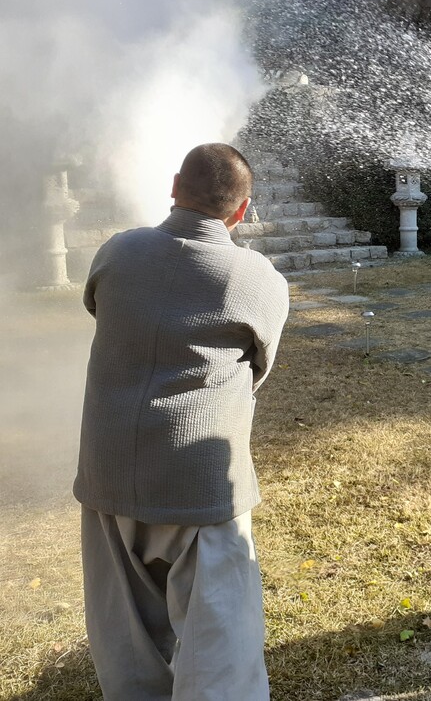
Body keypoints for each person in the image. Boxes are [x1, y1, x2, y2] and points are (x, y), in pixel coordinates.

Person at [75, 143, 290, 700]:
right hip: (199, 479)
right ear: (241, 210)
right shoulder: (256, 277)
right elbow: (259, 367)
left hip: (109, 468)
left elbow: (101, 310)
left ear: (173, 187)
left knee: (125, 637)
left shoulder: (118, 251)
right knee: (219, 644)